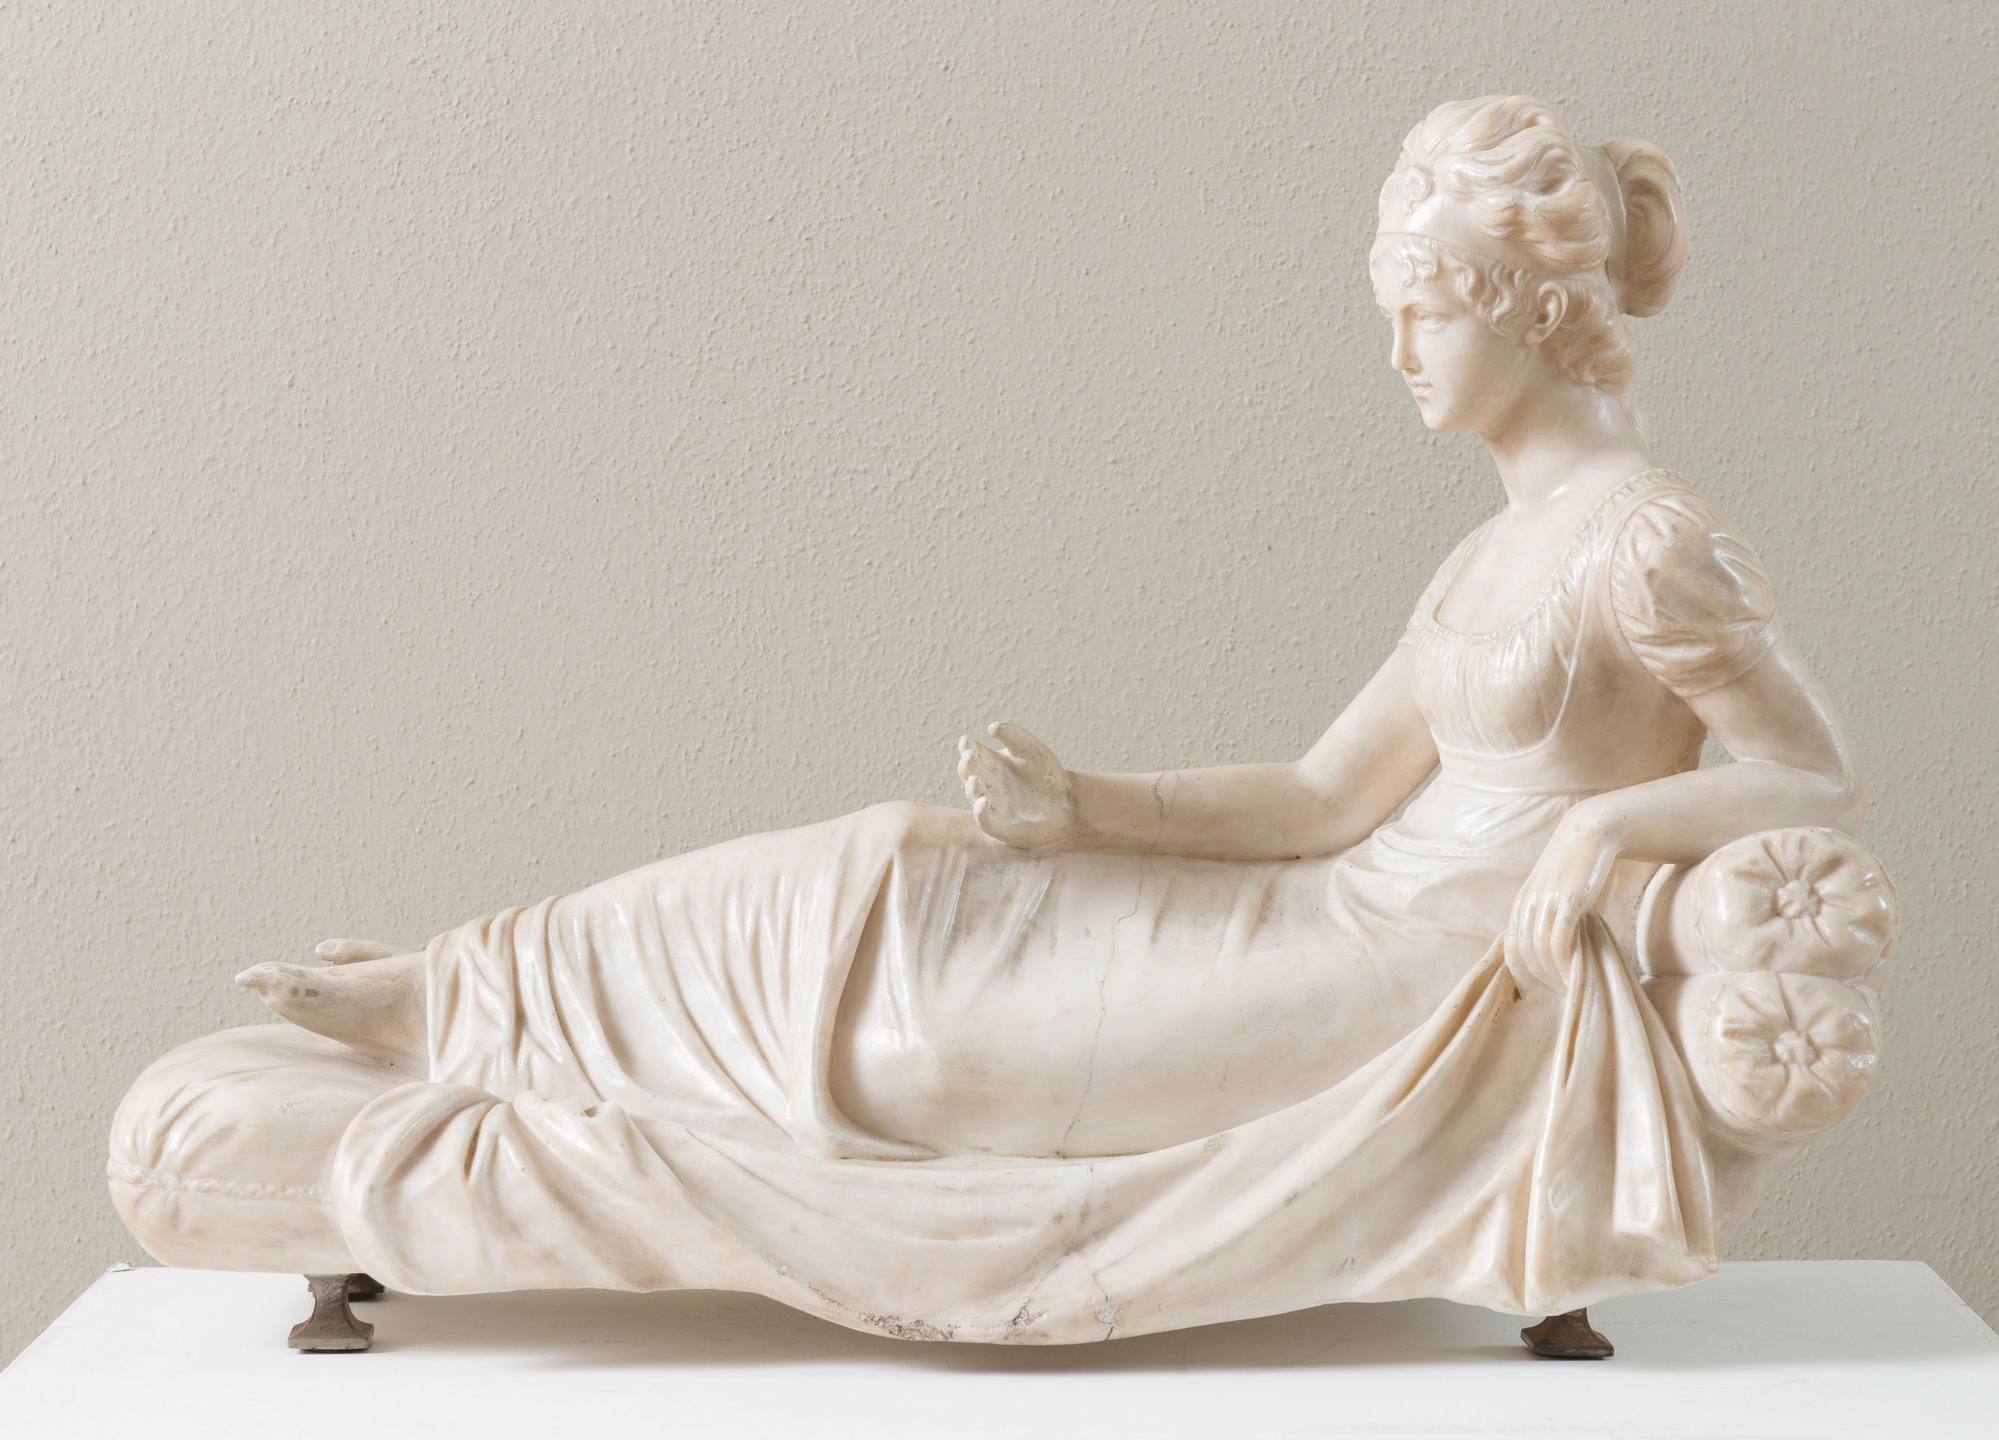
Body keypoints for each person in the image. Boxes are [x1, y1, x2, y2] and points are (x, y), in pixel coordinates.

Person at [228, 96, 1866, 1339]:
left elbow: (1813, 772)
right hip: (1329, 907)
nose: (1395, 353)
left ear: (1522, 307)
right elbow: (1321, 798)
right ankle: (478, 990)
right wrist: (1087, 808)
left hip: (1399, 983)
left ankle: (495, 1036)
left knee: (927, 1037)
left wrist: (1606, 830)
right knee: (908, 863)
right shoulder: (1495, 546)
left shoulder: (1648, 543)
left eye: (1421, 312)